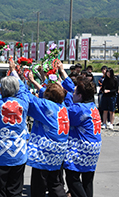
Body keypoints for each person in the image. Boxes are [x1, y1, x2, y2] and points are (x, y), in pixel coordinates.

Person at [0, 60, 29, 197]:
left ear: (1, 90)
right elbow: (23, 89)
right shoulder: (24, 102)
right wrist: (14, 71)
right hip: (18, 153)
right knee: (15, 191)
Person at [58, 63, 102, 197]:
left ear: (80, 95)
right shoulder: (91, 105)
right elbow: (72, 89)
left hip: (82, 148)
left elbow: (61, 112)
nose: (72, 94)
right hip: (94, 147)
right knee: (88, 181)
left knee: (72, 179)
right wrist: (61, 71)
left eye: (75, 93)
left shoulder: (79, 110)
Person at [26, 69, 69, 197]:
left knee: (39, 186)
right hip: (58, 152)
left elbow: (29, 98)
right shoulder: (63, 107)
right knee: (55, 184)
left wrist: (15, 74)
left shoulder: (47, 106)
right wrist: (33, 81)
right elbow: (43, 95)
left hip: (44, 152)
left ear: (49, 97)